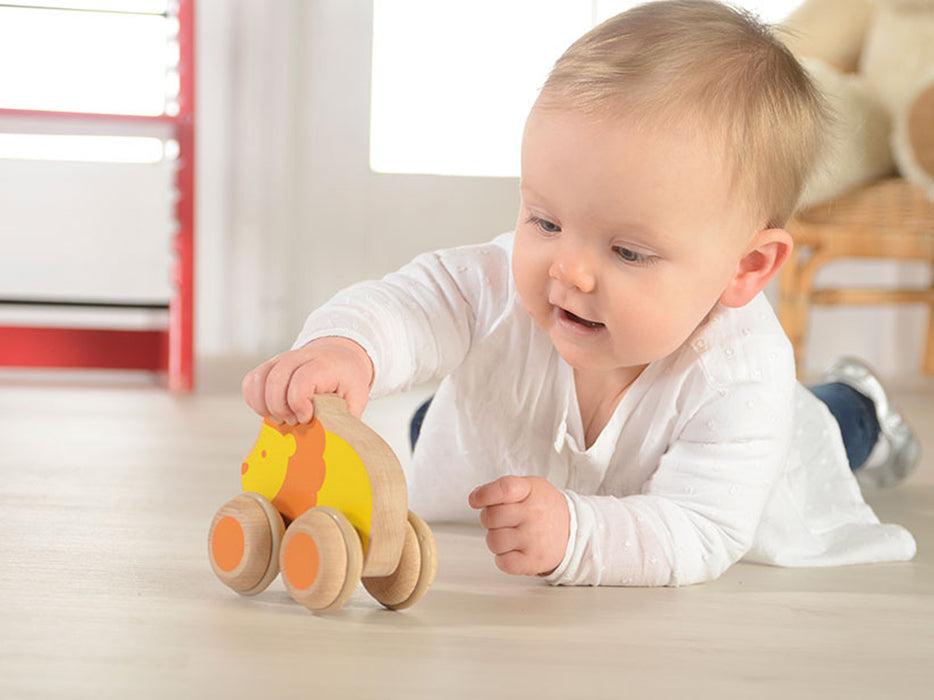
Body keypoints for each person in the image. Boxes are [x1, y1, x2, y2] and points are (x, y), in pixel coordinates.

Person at [242, 0, 918, 586]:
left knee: (820, 429)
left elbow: (701, 529)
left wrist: (577, 536)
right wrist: (348, 347)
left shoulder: (742, 377)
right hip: (531, 448)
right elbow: (423, 303)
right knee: (439, 428)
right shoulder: (513, 276)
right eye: (545, 220)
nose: (570, 271)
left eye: (626, 251)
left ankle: (862, 406)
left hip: (752, 462)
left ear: (745, 268)